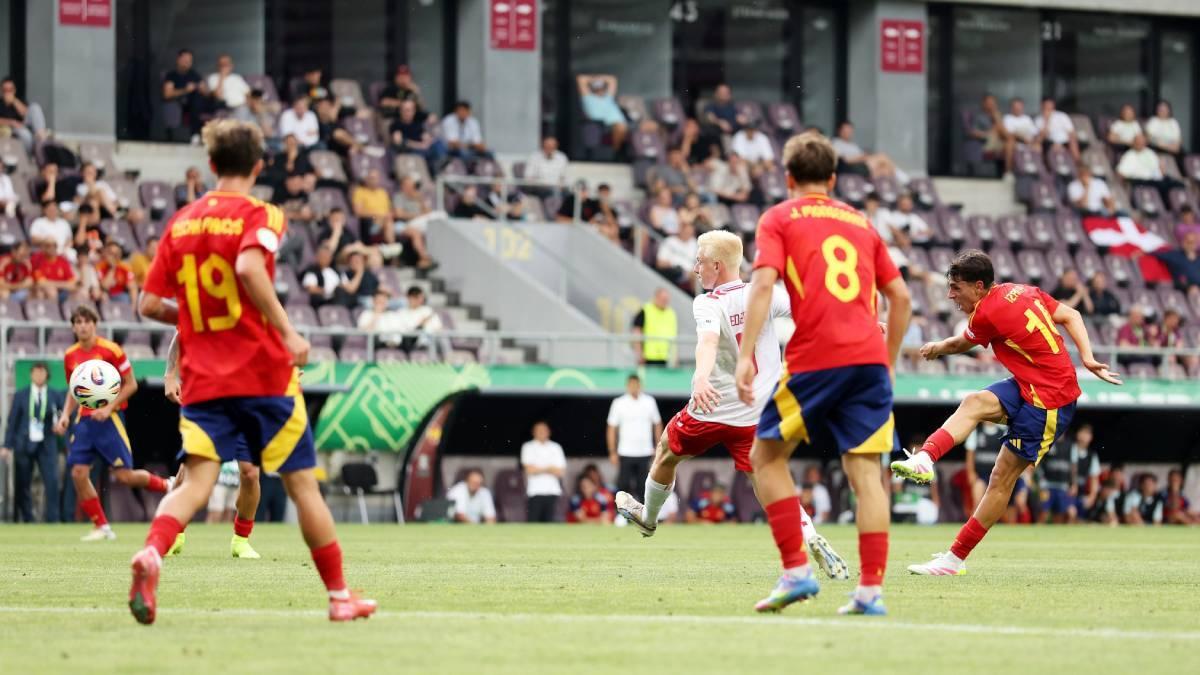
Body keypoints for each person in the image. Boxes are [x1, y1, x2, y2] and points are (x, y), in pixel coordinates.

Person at [135, 119, 376, 623]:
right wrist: (288, 333)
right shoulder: (261, 213)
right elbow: (247, 267)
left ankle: (152, 552)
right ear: (260, 165)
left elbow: (148, 304)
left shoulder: (181, 222)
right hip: (264, 375)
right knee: (302, 485)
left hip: (205, 379)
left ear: (212, 165)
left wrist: (203, 322)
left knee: (195, 485)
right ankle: (338, 598)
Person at [734, 132, 910, 616]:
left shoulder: (778, 217)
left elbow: (763, 284)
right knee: (866, 474)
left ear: (788, 178)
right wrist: (888, 363)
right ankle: (870, 592)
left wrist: (747, 353)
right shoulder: (862, 222)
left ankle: (795, 571)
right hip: (869, 360)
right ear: (832, 180)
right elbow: (902, 298)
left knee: (765, 458)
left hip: (817, 355)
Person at [614, 229, 850, 571]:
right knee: (767, 479)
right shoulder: (764, 292)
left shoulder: (708, 302)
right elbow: (814, 310)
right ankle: (808, 533)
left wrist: (699, 376)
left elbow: (707, 343)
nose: (695, 268)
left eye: (699, 261)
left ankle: (648, 517)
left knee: (667, 449)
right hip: (757, 412)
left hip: (714, 404)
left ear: (717, 266)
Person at [892, 250, 1121, 576]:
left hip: (1049, 401)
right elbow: (1072, 315)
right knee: (973, 402)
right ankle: (925, 458)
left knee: (1000, 480)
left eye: (956, 287)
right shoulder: (1023, 290)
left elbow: (960, 345)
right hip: (1030, 382)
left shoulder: (986, 313)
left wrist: (939, 347)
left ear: (979, 285)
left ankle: (954, 559)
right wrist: (1086, 357)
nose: (950, 295)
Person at [55, 306, 173, 541]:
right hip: (85, 421)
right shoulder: (71, 355)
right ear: (73, 327)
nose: (83, 326)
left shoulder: (111, 350)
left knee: (124, 476)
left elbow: (131, 385)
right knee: (78, 472)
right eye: (78, 322)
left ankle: (167, 485)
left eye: (87, 321)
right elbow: (74, 390)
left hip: (110, 419)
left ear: (95, 324)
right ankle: (101, 526)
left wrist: (109, 407)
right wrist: (65, 414)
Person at [162, 330, 263, 560]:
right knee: (189, 471)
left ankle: (241, 540)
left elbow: (278, 342)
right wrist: (170, 375)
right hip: (207, 400)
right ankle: (174, 532)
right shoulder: (211, 302)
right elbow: (181, 335)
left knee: (250, 474)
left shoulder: (259, 308)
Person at [1, 362, 65, 523]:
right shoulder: (21, 394)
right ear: (31, 375)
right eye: (35, 373)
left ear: (47, 375)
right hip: (24, 443)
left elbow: (63, 418)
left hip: (47, 444)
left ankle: (53, 519)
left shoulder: (55, 395)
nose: (38, 376)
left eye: (41, 372)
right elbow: (13, 422)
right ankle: (27, 518)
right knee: (23, 483)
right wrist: (7, 445)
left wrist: (61, 427)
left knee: (52, 482)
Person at [606, 375, 662, 498]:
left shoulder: (649, 401)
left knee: (643, 486)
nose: (634, 387)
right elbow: (611, 428)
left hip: (644, 451)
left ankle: (643, 515)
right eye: (631, 385)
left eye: (636, 385)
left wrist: (658, 447)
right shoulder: (619, 403)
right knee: (623, 484)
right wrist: (612, 451)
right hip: (625, 451)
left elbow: (657, 424)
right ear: (627, 386)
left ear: (640, 385)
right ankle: (621, 516)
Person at [1117, 134, 1183, 207]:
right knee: (1162, 186)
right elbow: (1121, 172)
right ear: (1134, 143)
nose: (1140, 144)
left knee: (1178, 184)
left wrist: (1162, 173)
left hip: (1156, 179)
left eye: (1142, 142)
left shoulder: (1150, 153)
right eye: (1138, 142)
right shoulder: (1129, 155)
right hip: (1141, 181)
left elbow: (1160, 167)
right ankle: (1166, 206)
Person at [520, 421, 565, 523]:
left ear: (549, 432)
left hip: (552, 491)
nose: (542, 432)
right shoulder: (528, 447)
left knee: (550, 524)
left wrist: (539, 468)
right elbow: (529, 470)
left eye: (544, 430)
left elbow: (560, 472)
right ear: (533, 432)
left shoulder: (556, 447)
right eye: (539, 430)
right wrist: (549, 468)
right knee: (533, 523)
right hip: (535, 491)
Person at [391, 175, 440, 270]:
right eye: (409, 185)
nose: (411, 188)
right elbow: (399, 214)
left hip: (418, 223)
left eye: (412, 185)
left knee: (432, 229)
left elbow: (428, 212)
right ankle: (424, 258)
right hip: (402, 224)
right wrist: (417, 215)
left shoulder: (417, 197)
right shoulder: (399, 197)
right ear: (403, 186)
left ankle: (424, 260)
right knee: (416, 233)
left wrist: (421, 201)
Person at [162, 49, 210, 138]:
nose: (187, 62)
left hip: (196, 104)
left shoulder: (195, 75)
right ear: (178, 59)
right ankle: (195, 134)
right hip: (180, 103)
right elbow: (167, 94)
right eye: (184, 59)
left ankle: (197, 135)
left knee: (198, 100)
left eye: (189, 60)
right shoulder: (171, 75)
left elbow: (206, 93)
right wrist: (185, 90)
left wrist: (202, 89)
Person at [575, 75, 628, 152]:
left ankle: (618, 151)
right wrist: (594, 79)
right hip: (600, 124)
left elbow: (612, 79)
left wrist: (599, 79)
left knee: (623, 127)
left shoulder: (608, 96)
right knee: (621, 127)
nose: (600, 90)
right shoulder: (588, 97)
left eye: (602, 87)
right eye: (597, 88)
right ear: (593, 89)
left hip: (618, 123)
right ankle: (616, 151)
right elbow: (581, 79)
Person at [832, 120, 898, 179]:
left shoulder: (853, 145)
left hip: (864, 165)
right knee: (882, 156)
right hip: (855, 167)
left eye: (850, 131)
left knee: (885, 169)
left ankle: (869, 186)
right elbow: (844, 161)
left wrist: (865, 156)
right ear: (839, 131)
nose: (849, 133)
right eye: (846, 131)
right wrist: (861, 157)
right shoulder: (836, 143)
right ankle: (904, 179)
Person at [631, 288, 677, 366]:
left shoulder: (671, 313)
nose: (664, 302)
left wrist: (675, 357)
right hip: (647, 357)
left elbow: (674, 337)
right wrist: (639, 353)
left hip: (665, 357)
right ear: (656, 298)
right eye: (663, 299)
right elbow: (636, 331)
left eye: (666, 300)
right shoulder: (645, 310)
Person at [0, 77, 46, 152]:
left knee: (35, 107)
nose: (8, 92)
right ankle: (33, 153)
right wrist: (12, 122)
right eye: (5, 90)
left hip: (25, 123)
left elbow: (25, 113)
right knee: (25, 134)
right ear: (2, 91)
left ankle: (42, 138)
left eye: (10, 90)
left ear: (14, 90)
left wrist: (14, 101)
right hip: (14, 128)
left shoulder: (19, 100)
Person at [1067, 424, 1101, 517]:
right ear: (1078, 434)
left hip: (1081, 493)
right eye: (1083, 432)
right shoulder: (1068, 449)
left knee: (1080, 516)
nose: (1085, 436)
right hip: (1066, 491)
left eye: (1088, 434)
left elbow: (1095, 478)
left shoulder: (1092, 456)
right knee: (1070, 512)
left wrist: (1092, 496)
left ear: (1091, 437)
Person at [655, 220, 698, 289]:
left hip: (689, 275)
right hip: (674, 271)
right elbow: (660, 263)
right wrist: (675, 264)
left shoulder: (695, 244)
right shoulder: (670, 241)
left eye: (690, 233)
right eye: (686, 232)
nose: (688, 235)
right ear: (681, 230)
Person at [301, 244, 342, 309]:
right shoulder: (312, 271)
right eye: (323, 256)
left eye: (327, 256)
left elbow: (345, 285)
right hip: (323, 301)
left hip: (339, 300)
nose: (325, 258)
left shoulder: (335, 271)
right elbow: (310, 288)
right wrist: (328, 292)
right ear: (317, 257)